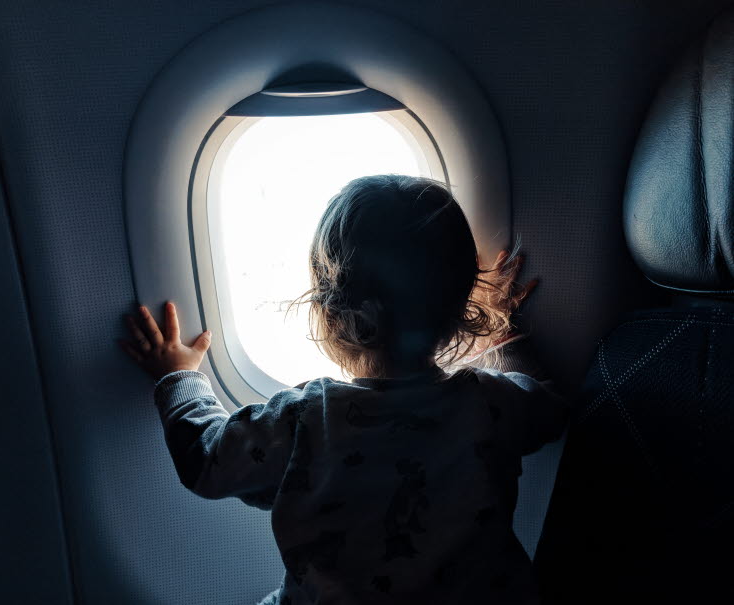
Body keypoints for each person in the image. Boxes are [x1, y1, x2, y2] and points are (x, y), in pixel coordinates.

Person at [120, 175, 568, 604]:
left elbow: (204, 460)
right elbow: (551, 408)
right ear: (464, 307)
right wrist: (505, 340)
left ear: (332, 313)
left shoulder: (307, 421)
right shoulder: (491, 405)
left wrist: (179, 375)